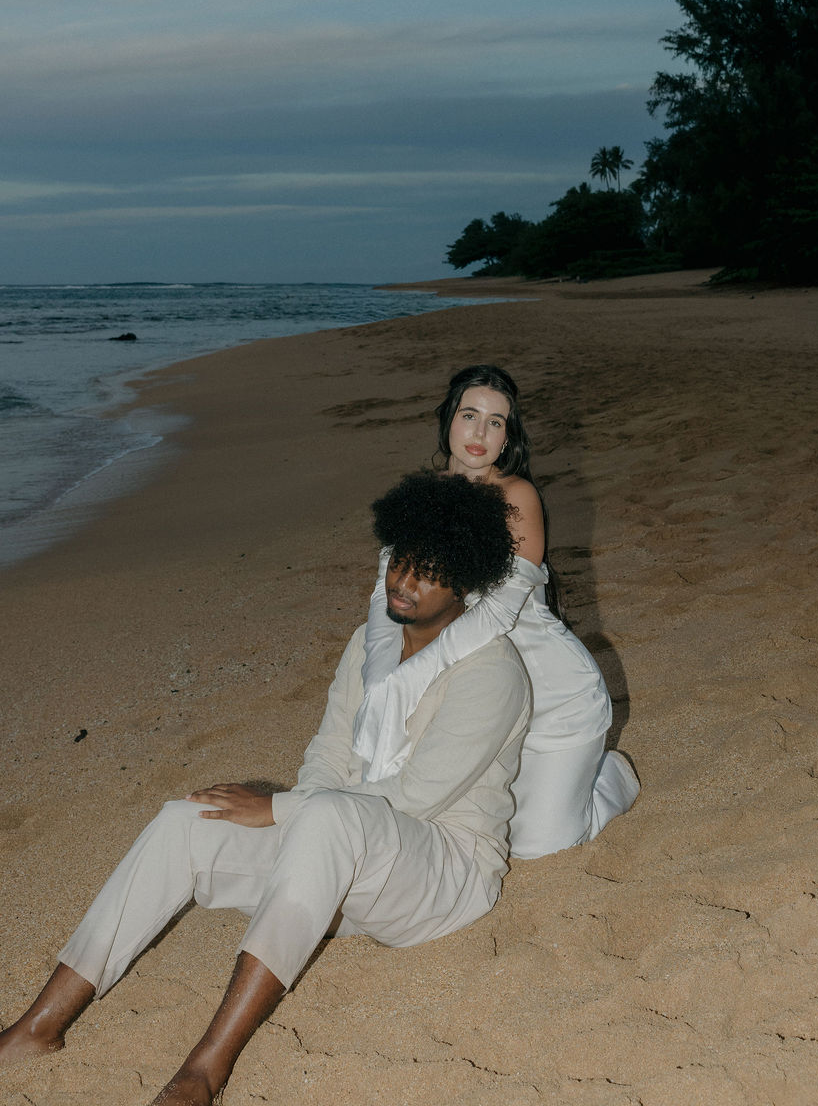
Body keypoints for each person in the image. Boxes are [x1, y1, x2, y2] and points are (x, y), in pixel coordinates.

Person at [0, 473, 531, 1106]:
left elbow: (416, 797)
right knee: (186, 819)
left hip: (442, 876)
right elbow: (329, 753)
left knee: (326, 816)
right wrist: (294, 816)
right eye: (400, 561)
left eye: (428, 573)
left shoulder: (493, 670)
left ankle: (205, 1069)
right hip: (346, 858)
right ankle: (40, 1026)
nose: (403, 582)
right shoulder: (371, 642)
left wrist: (282, 809)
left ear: (465, 580)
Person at [357, 363, 639, 860]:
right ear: (449, 419)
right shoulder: (421, 495)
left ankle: (611, 777)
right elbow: (387, 593)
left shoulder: (517, 497)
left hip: (551, 696)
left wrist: (411, 676)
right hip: (477, 695)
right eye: (469, 415)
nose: (479, 433)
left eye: (495, 422)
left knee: (535, 846)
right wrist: (382, 677)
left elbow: (496, 615)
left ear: (508, 437)